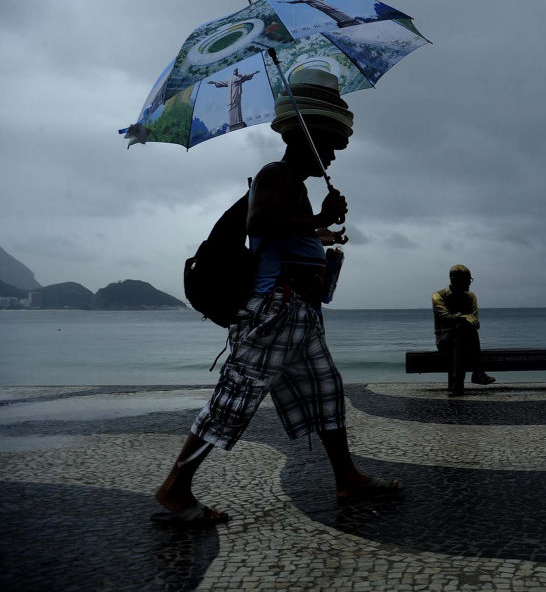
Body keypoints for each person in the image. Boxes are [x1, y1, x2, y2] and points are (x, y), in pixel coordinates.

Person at [153, 69, 400, 525]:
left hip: (299, 314)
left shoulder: (295, 187)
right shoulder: (275, 174)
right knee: (235, 398)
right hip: (274, 310)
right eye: (326, 146)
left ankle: (347, 478)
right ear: (308, 138)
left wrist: (319, 233)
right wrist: (316, 219)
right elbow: (260, 226)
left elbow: (283, 236)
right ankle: (175, 487)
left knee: (327, 391)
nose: (330, 156)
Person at [432, 265, 495, 395]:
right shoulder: (438, 296)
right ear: (453, 279)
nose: (468, 283)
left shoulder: (471, 296)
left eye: (469, 280)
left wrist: (466, 320)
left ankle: (457, 385)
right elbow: (444, 315)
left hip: (463, 339)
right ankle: (478, 372)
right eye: (466, 280)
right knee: (462, 336)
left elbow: (475, 320)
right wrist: (463, 317)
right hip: (444, 338)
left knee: (461, 338)